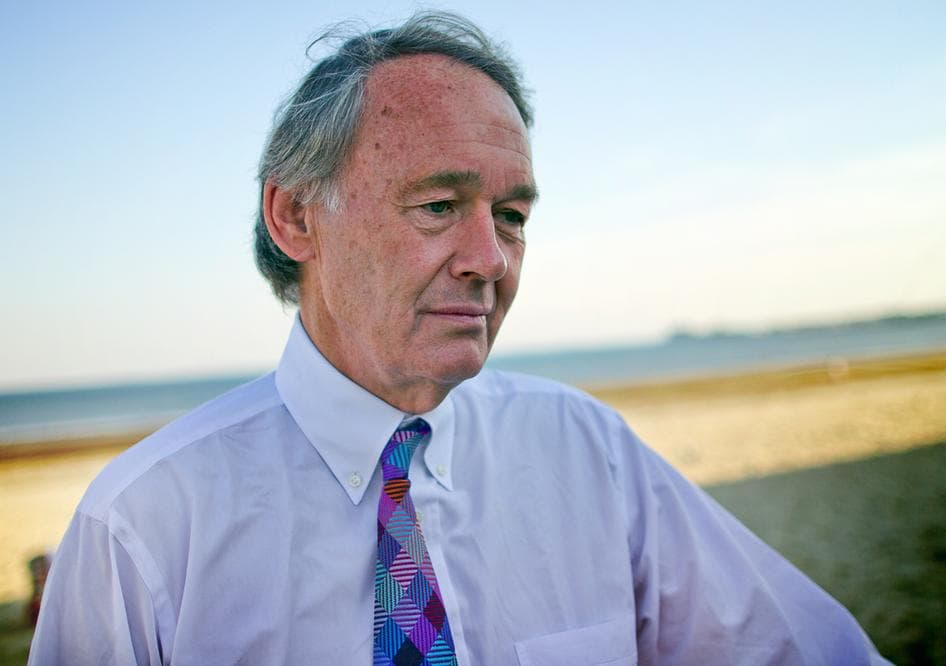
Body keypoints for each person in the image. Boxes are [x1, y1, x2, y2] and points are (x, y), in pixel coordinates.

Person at [30, 12, 890, 665]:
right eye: (439, 206)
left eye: (511, 216)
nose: (490, 260)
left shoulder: (586, 452)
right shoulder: (143, 526)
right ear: (295, 215)